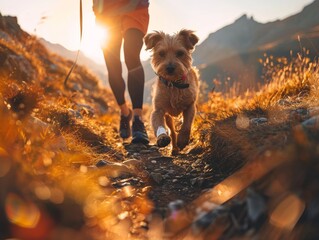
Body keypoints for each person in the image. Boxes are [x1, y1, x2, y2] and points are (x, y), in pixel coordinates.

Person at [93, 0, 150, 144]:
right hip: (106, 11)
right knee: (112, 66)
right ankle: (125, 113)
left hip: (135, 7)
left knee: (131, 56)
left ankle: (138, 119)